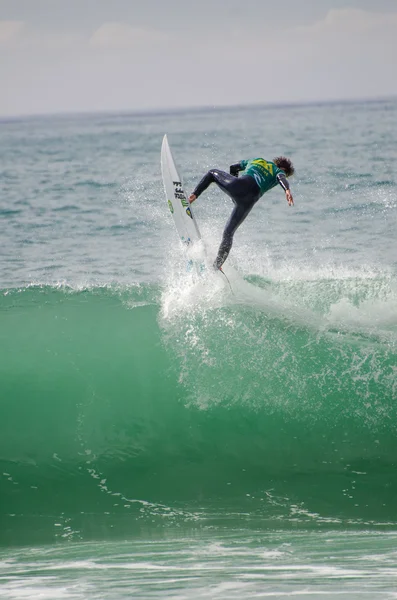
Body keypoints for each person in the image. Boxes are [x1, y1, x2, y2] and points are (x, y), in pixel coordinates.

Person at [188, 156, 294, 270]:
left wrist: (234, 190)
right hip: (248, 201)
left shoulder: (257, 160)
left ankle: (192, 197)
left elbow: (233, 168)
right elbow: (281, 178)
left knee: (212, 173)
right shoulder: (278, 171)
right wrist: (287, 190)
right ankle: (217, 266)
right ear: (283, 169)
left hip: (238, 186)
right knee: (228, 233)